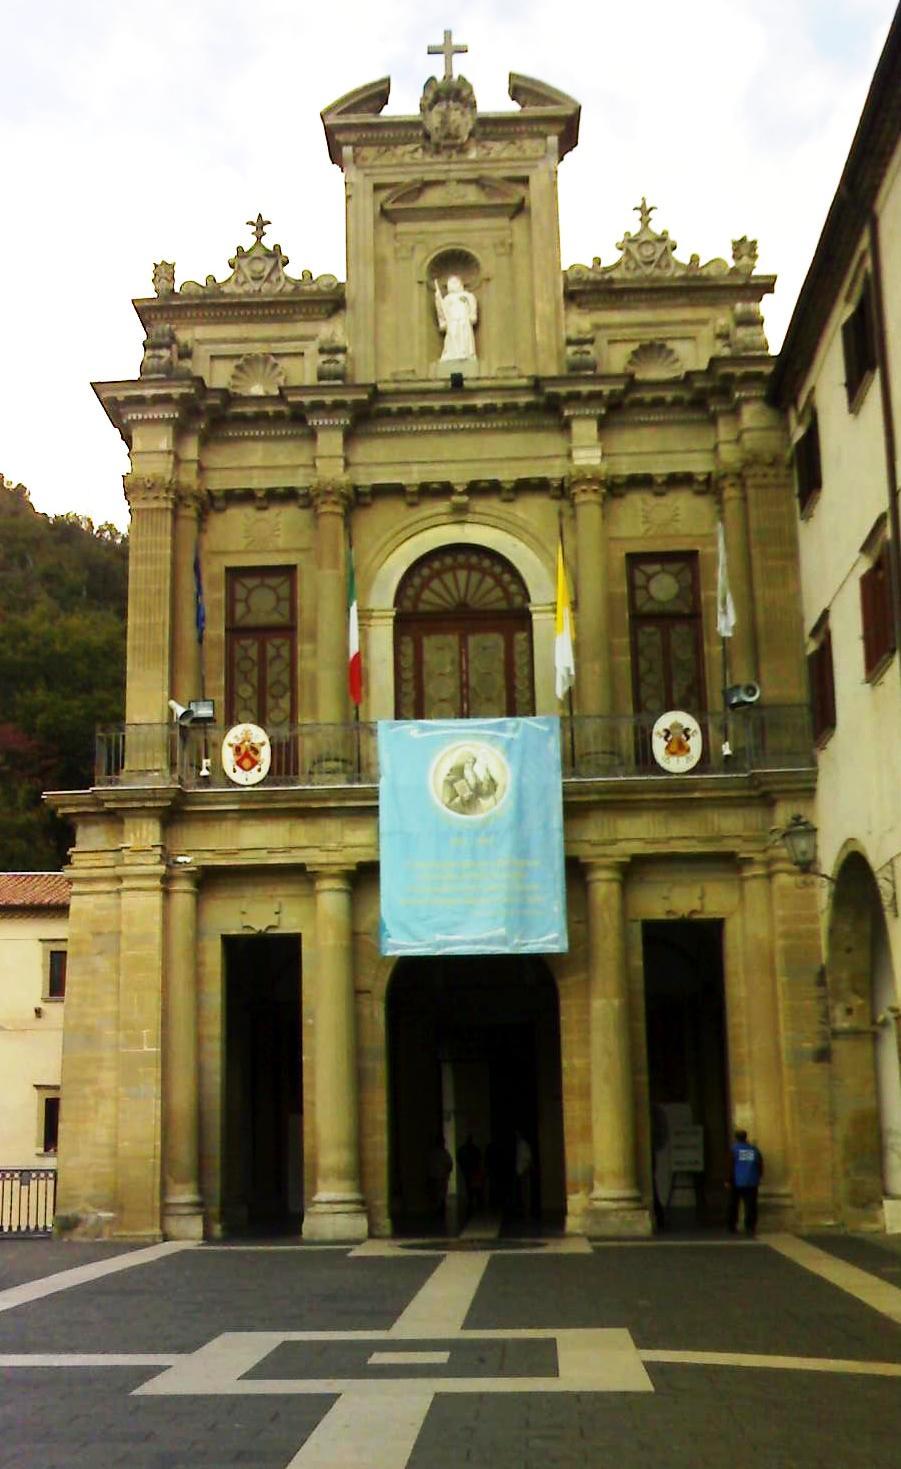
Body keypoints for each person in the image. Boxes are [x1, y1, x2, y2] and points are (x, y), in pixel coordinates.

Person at [728, 1128, 764, 1237]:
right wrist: (758, 1176)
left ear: (735, 1138)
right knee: (751, 1205)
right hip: (751, 1180)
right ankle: (750, 1226)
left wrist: (727, 1180)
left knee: (733, 1204)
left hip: (737, 1180)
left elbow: (730, 1166)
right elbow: (759, 1164)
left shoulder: (733, 1150)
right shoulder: (753, 1150)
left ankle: (732, 1225)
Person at [434, 275, 478, 362]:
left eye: (454, 282)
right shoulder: (447, 299)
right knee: (452, 336)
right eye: (450, 283)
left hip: (464, 320)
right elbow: (442, 311)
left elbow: (472, 306)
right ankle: (452, 353)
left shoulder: (467, 296)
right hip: (452, 321)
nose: (452, 285)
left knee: (464, 336)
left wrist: (472, 315)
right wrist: (438, 300)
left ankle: (465, 353)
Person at [457, 1133, 484, 1221]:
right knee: (476, 1188)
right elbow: (479, 1159)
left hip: (468, 1171)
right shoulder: (474, 1149)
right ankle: (477, 1203)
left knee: (469, 1187)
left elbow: (459, 1158)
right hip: (473, 1171)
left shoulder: (463, 1150)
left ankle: (471, 1202)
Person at [427, 1134, 453, 1221]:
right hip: (441, 1176)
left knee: (436, 1194)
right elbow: (449, 1164)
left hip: (433, 1176)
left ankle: (436, 1209)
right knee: (441, 1193)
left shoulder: (432, 1153)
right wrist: (447, 1172)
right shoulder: (443, 1152)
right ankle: (439, 1209)